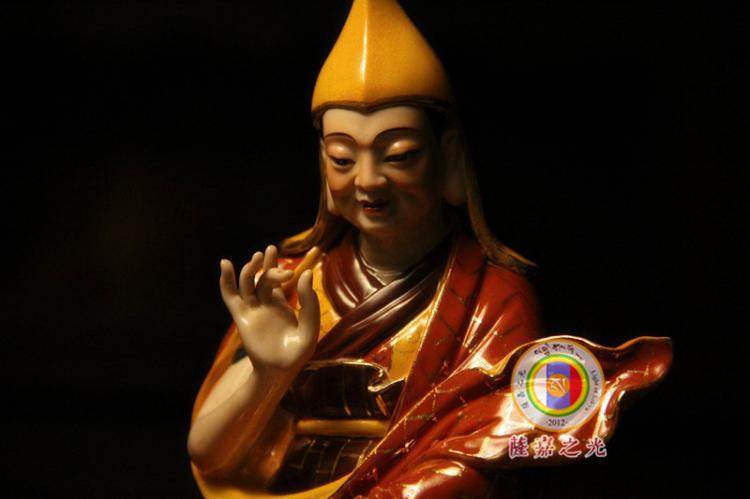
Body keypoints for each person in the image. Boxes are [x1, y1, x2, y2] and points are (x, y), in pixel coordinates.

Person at [188, 2, 671, 498]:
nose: (368, 180)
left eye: (399, 156)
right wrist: (269, 373)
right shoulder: (292, 282)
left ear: (449, 156)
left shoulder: (491, 298)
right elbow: (208, 453)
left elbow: (482, 450)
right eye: (343, 158)